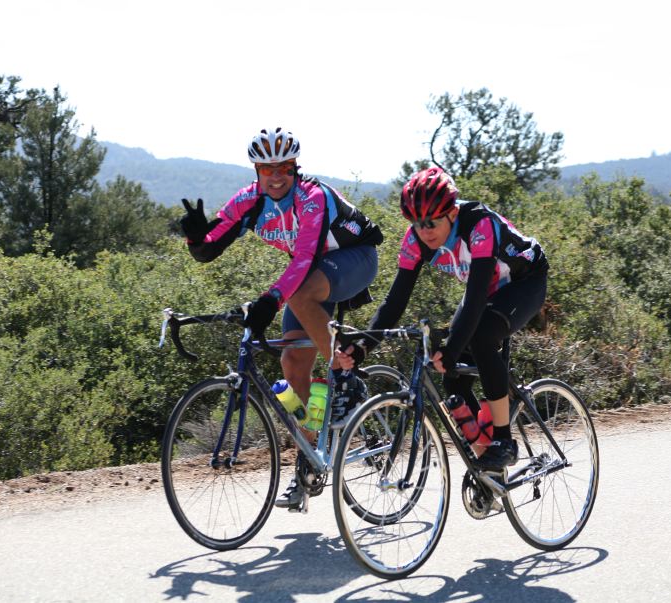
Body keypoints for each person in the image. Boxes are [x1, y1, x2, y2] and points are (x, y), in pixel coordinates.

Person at [179, 127, 383, 507]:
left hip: (354, 259)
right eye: (267, 168)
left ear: (295, 168)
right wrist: (194, 238)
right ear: (256, 170)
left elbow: (305, 258)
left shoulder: (311, 197)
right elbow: (209, 249)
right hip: (311, 274)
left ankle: (346, 375)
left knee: (301, 296)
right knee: (292, 363)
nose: (276, 176)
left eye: (285, 168)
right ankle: (308, 465)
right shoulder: (249, 201)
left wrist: (270, 300)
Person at [336, 166, 548, 471]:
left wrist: (452, 347)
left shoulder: (479, 225)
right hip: (487, 290)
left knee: (480, 338)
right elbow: (394, 303)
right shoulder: (414, 242)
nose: (425, 230)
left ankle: (504, 441)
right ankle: (488, 465)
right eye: (417, 223)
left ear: (451, 212)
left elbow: (475, 299)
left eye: (432, 222)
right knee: (453, 380)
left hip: (524, 282)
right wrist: (363, 347)